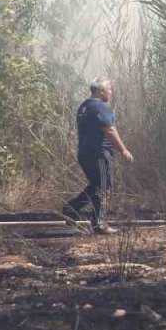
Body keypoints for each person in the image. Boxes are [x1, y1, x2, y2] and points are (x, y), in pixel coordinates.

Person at [63, 77, 133, 234]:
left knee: (97, 185)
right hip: (99, 154)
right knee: (103, 186)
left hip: (85, 153)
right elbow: (109, 130)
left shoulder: (84, 106)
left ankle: (73, 209)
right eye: (109, 89)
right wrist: (123, 150)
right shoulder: (100, 107)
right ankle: (98, 222)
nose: (111, 92)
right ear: (100, 91)